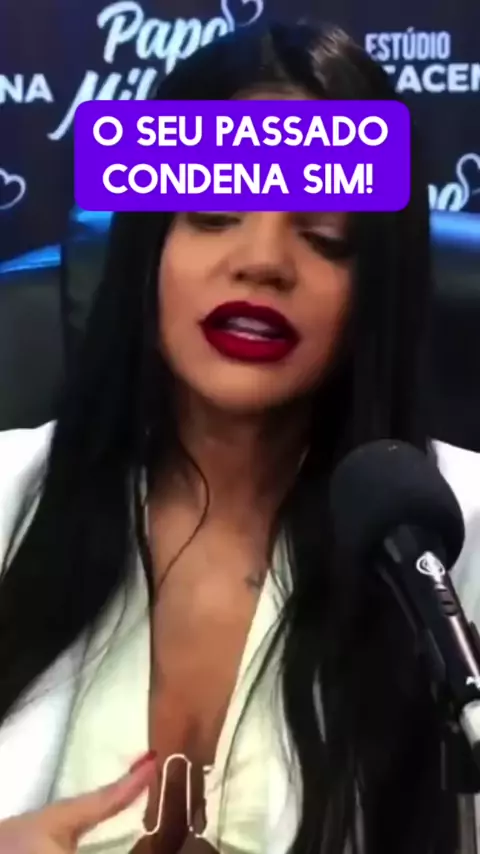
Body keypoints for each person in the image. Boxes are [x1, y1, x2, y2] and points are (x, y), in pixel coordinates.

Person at [1, 19, 480, 854]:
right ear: (148, 246)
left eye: (324, 235)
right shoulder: (7, 494)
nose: (263, 261)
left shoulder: (454, 539)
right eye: (215, 213)